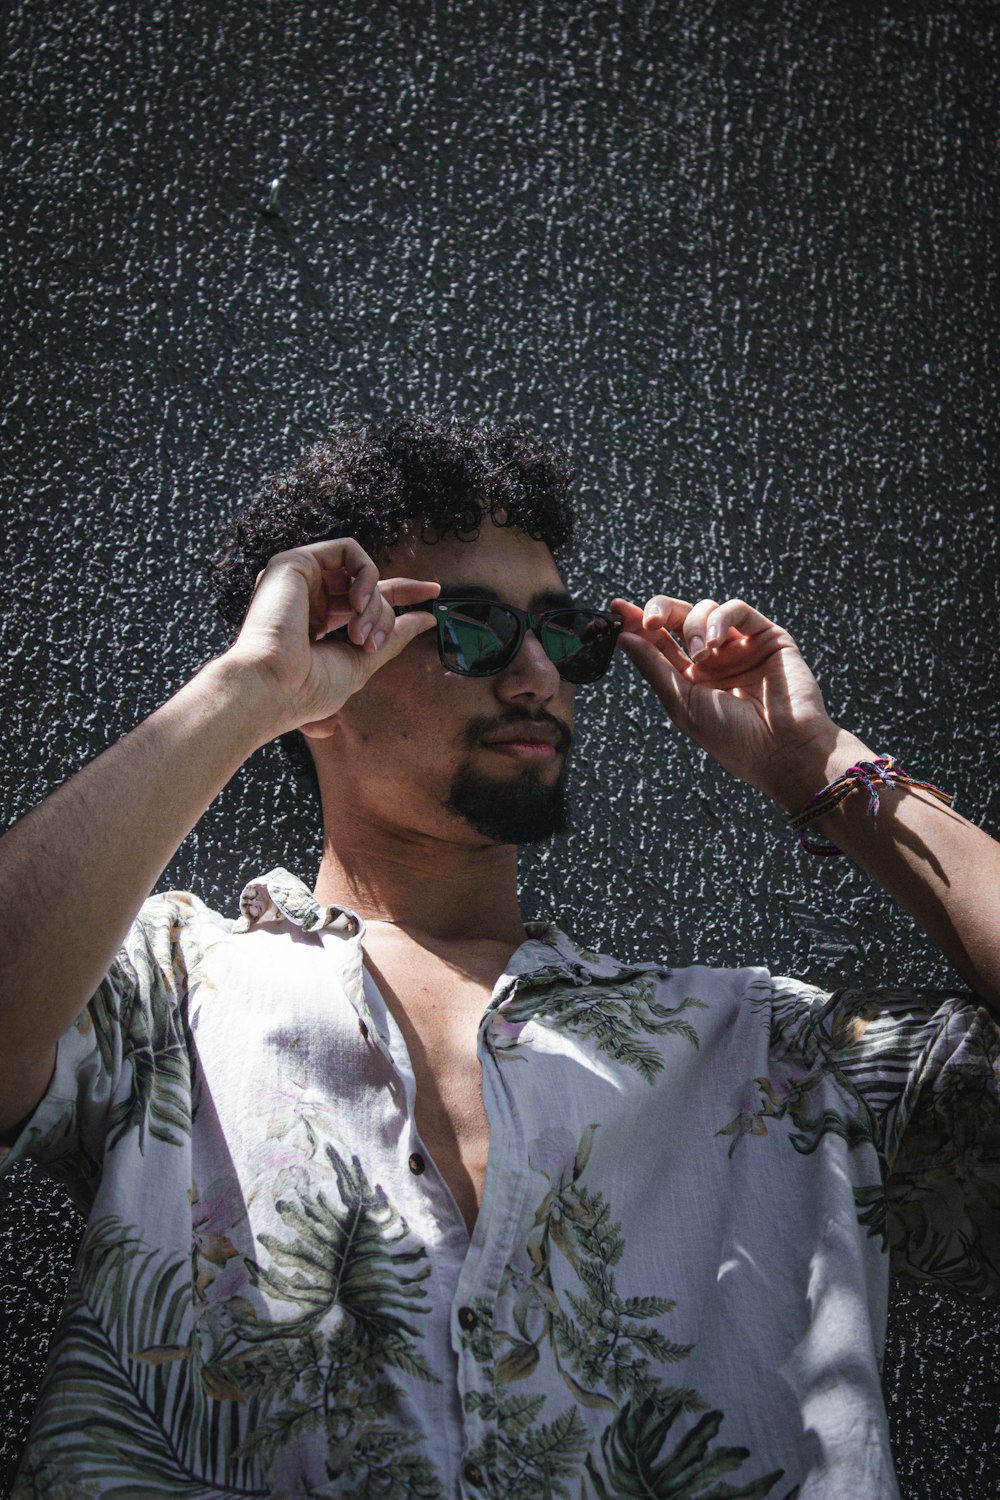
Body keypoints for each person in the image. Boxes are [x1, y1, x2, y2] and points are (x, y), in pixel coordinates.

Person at [1, 412, 997, 1500]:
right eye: (470, 628)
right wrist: (247, 690)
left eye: (562, 635)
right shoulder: (166, 990)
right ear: (335, 657)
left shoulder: (778, 1054)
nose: (535, 675)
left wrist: (824, 770)